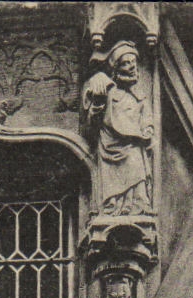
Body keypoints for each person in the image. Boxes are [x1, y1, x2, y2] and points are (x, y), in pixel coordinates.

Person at [82, 41, 154, 217]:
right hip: (110, 146)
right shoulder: (108, 90)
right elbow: (92, 125)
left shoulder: (139, 95)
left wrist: (148, 129)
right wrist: (97, 103)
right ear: (116, 68)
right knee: (113, 185)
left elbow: (147, 118)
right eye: (125, 63)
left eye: (133, 62)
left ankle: (137, 204)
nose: (131, 67)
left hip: (133, 144)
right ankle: (115, 206)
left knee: (136, 166)